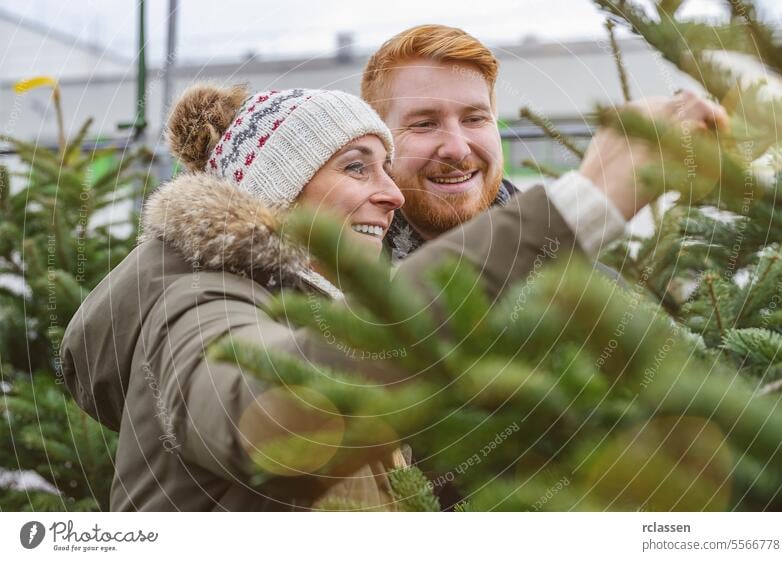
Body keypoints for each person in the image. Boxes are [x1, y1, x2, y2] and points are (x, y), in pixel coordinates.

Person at [61, 73, 725, 510]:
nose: (390, 191)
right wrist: (582, 203)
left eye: (386, 166)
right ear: (272, 189)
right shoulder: (196, 307)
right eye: (356, 167)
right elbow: (276, 427)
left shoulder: (306, 311)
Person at [361, 24, 729, 262]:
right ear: (380, 139)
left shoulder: (587, 286)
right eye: (425, 124)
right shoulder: (332, 286)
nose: (457, 149)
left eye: (475, 119)